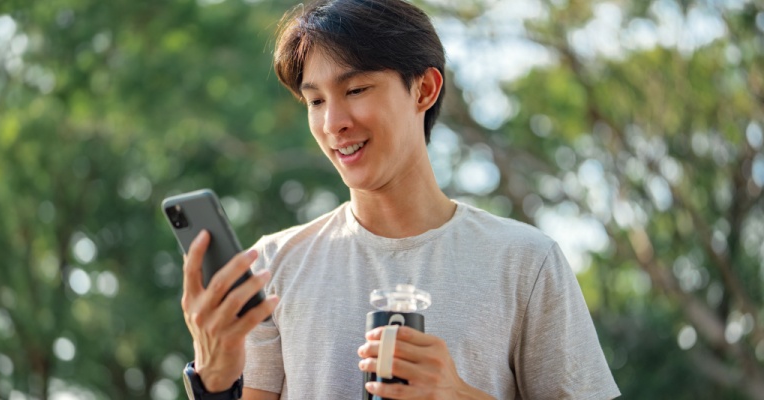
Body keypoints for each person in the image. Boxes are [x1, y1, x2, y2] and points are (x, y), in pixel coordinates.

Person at [179, 0, 621, 399]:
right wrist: (214, 381)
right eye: (315, 101)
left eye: (355, 91)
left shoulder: (526, 262)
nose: (334, 123)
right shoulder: (273, 267)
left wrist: (456, 394)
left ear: (424, 90)